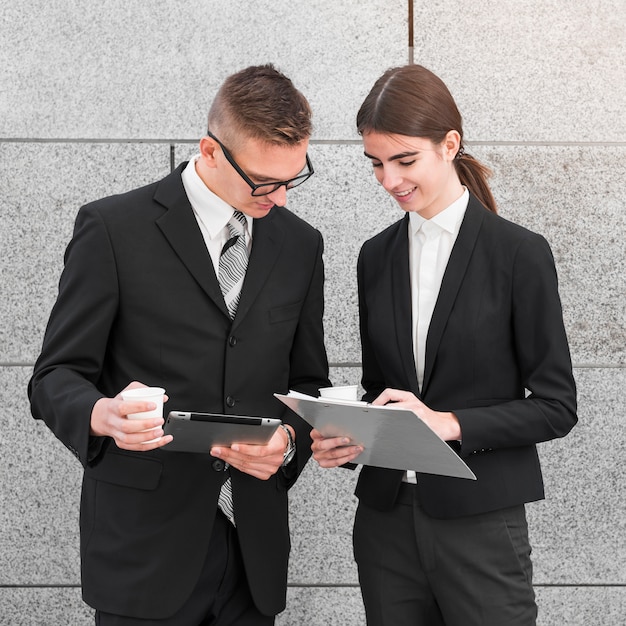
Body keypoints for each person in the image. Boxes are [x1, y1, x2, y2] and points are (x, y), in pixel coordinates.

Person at [28, 63, 330, 625]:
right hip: (143, 554)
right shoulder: (113, 229)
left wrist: (289, 442)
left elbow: (308, 383)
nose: (281, 199)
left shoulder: (301, 245)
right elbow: (53, 378)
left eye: (294, 178)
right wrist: (103, 414)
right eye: (264, 183)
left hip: (253, 555)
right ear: (210, 151)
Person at [311, 64, 577, 626]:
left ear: (450, 144)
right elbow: (387, 391)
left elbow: (556, 407)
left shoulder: (518, 255)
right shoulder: (374, 255)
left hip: (480, 521)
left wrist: (447, 423)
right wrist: (348, 436)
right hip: (385, 526)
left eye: (404, 161)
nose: (389, 180)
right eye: (376, 163)